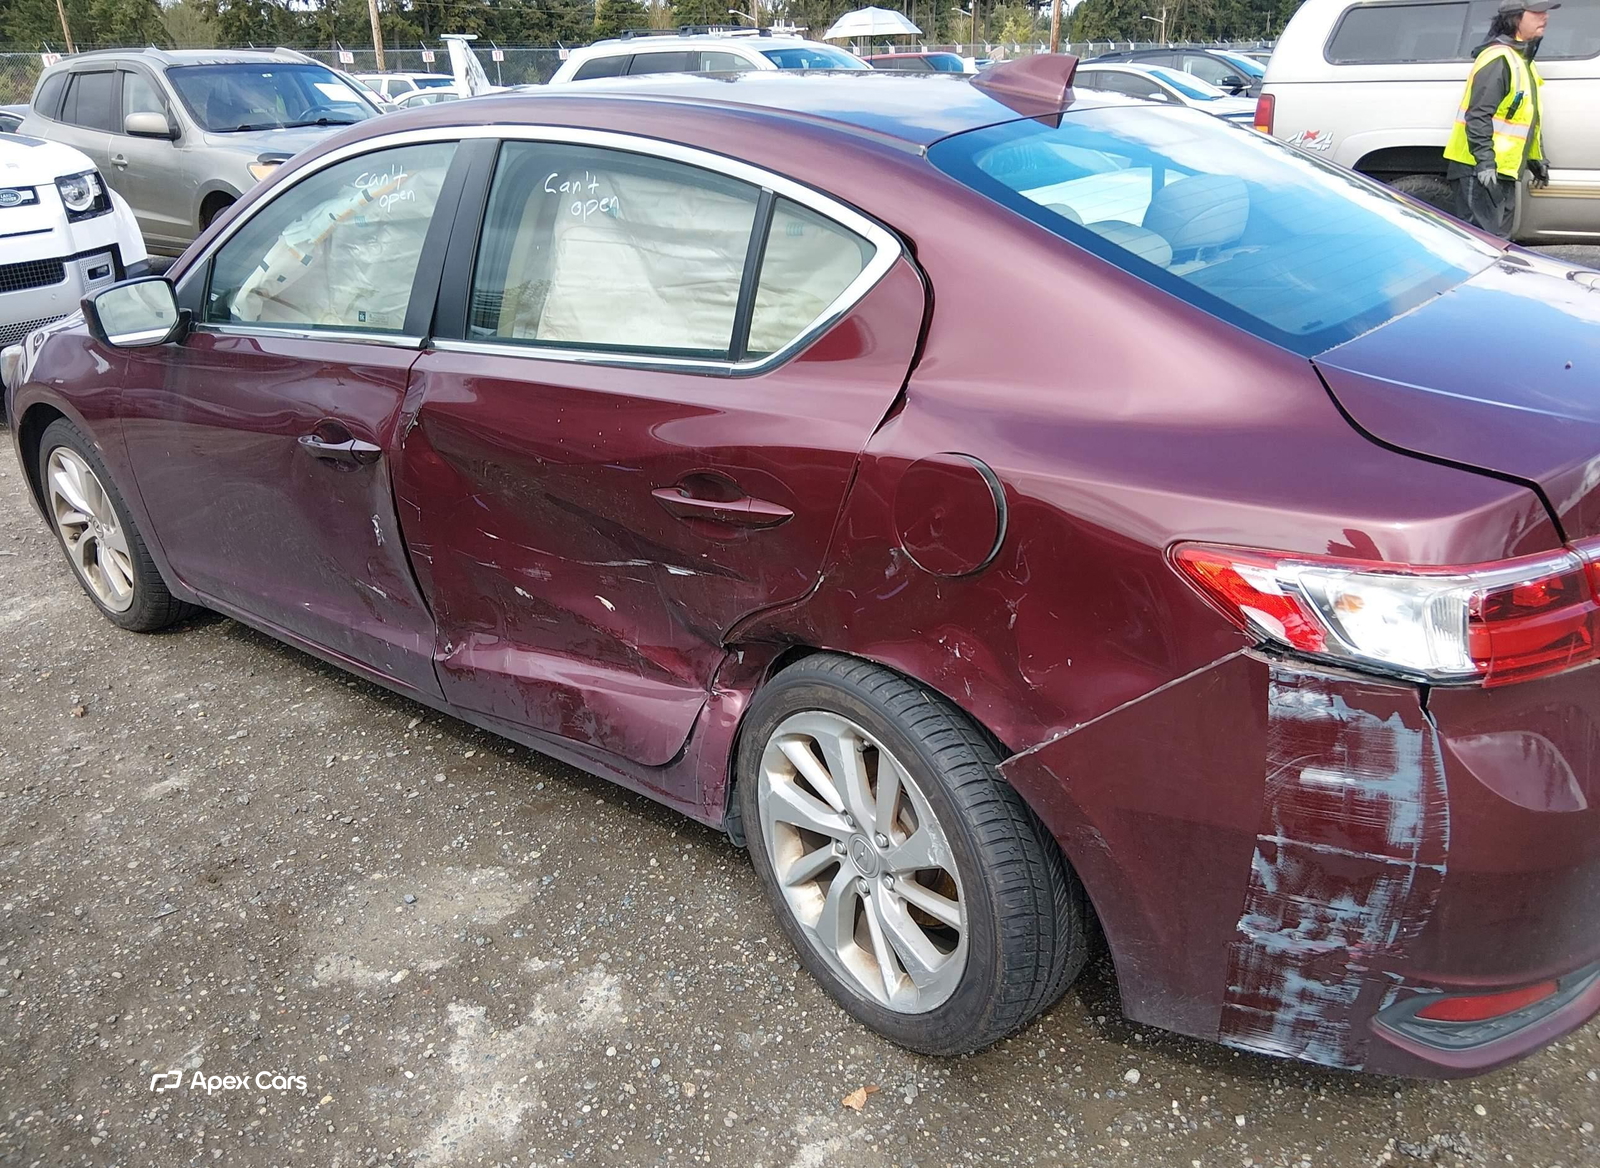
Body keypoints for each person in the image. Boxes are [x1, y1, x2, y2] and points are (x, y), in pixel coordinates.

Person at [1442, 0, 1556, 238]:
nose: (1545, 17)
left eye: (1545, 12)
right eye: (1537, 12)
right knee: (1480, 244)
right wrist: (1485, 163)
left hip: (1500, 171)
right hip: (1479, 171)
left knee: (1496, 243)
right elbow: (1478, 116)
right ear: (1516, 18)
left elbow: (1526, 119)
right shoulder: (1500, 59)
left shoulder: (1521, 60)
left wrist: (1535, 158)